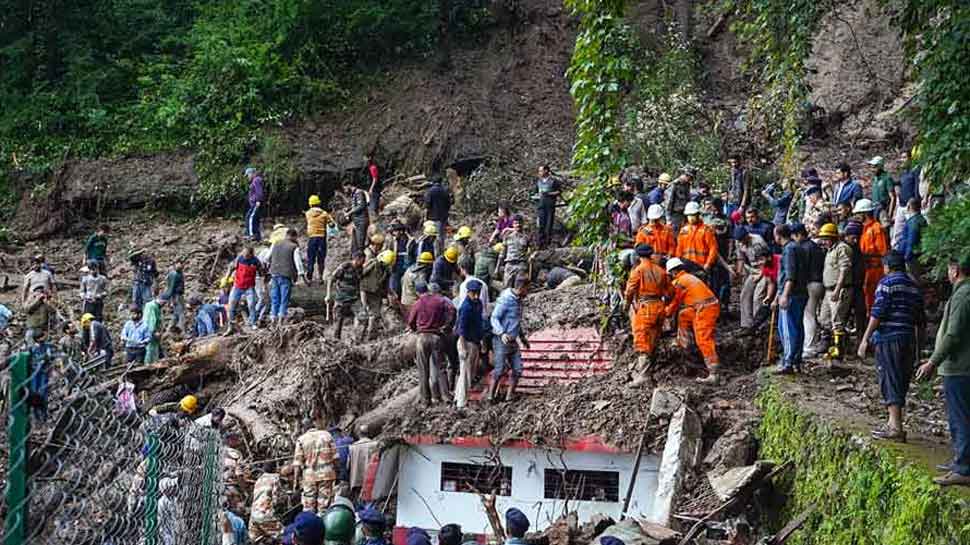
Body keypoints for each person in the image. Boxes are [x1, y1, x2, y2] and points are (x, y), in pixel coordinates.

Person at [857, 251, 924, 442]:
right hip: (908, 338)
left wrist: (865, 339)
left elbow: (878, 313)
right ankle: (894, 422)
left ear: (887, 266)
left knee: (889, 377)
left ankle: (895, 427)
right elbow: (921, 321)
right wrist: (918, 351)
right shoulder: (914, 286)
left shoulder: (886, 284)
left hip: (889, 338)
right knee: (901, 379)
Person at [916, 255, 970, 486]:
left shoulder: (963, 295)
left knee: (960, 417)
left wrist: (933, 362)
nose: (947, 272)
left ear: (955, 270)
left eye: (949, 268)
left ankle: (963, 468)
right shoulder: (961, 293)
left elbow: (953, 334)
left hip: (959, 367)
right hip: (960, 366)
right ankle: (961, 460)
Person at [665, 258, 720, 384]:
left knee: (703, 339)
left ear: (673, 272)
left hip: (705, 309)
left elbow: (675, 302)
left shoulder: (679, 282)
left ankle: (714, 372)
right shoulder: (688, 277)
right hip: (703, 306)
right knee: (684, 315)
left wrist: (665, 312)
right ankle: (684, 342)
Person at [625, 244, 672, 387]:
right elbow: (670, 292)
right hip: (659, 307)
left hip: (646, 308)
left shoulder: (638, 270)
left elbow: (630, 290)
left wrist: (626, 305)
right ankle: (649, 376)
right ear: (651, 255)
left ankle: (644, 376)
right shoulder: (661, 271)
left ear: (638, 256)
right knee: (653, 341)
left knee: (642, 341)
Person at [407, 281, 456, 405]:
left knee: (423, 370)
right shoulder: (438, 300)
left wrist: (415, 329)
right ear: (427, 289)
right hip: (436, 337)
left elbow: (411, 322)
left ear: (418, 292)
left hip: (422, 338)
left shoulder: (417, 304)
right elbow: (452, 309)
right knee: (440, 368)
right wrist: (447, 326)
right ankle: (446, 397)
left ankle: (425, 400)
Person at [772, 224, 808, 374]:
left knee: (787, 328)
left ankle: (788, 361)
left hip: (792, 294)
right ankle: (796, 360)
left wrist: (784, 295)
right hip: (801, 292)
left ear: (778, 235)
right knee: (798, 327)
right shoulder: (799, 247)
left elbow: (790, 276)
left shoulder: (789, 250)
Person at [490, 277, 530, 401]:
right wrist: (501, 333)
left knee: (517, 369)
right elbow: (494, 318)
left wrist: (522, 338)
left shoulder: (519, 301)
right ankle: (490, 397)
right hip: (501, 341)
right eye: (527, 289)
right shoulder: (506, 299)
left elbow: (516, 321)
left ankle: (509, 396)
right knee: (499, 370)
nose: (528, 292)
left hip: (513, 340)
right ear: (521, 288)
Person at [817, 223, 852, 359]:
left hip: (839, 289)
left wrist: (838, 289)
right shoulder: (830, 250)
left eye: (826, 238)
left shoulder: (842, 248)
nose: (823, 241)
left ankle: (839, 350)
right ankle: (831, 344)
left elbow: (845, 269)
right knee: (824, 319)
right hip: (828, 290)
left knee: (837, 319)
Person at [794, 223, 826, 358]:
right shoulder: (815, 246)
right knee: (815, 314)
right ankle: (815, 342)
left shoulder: (803, 248)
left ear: (798, 235)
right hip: (821, 282)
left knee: (809, 315)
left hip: (811, 283)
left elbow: (803, 269)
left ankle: (809, 347)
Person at [294, 418, 338, 514]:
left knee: (309, 506)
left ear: (304, 428)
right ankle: (323, 524)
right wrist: (336, 471)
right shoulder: (327, 435)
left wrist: (296, 481)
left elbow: (297, 463)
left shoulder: (301, 439)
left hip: (309, 477)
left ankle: (310, 526)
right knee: (324, 505)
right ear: (313, 425)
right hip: (327, 474)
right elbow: (335, 457)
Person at [454, 280, 486, 409]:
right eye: (474, 293)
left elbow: (480, 324)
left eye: (478, 293)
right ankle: (462, 403)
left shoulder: (478, 304)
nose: (476, 296)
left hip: (475, 341)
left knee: (468, 373)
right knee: (466, 373)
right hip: (466, 342)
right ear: (468, 292)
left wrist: (482, 340)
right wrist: (463, 347)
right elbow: (461, 329)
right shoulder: (465, 307)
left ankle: (458, 397)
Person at [734, 226, 769, 332]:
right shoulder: (739, 242)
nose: (741, 243)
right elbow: (741, 258)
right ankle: (746, 324)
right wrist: (739, 273)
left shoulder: (758, 241)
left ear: (747, 236)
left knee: (757, 297)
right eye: (739, 241)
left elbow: (767, 260)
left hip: (765, 270)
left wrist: (761, 275)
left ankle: (758, 325)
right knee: (744, 295)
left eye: (742, 240)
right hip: (752, 270)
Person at [855, 198, 888, 311]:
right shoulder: (864, 228)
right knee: (867, 294)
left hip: (876, 268)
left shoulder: (876, 228)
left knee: (873, 295)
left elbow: (882, 251)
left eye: (858, 214)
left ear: (865, 213)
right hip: (867, 267)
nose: (856, 216)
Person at [268, 228, 305, 326]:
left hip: (274, 274)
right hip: (286, 275)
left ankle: (273, 319)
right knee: (284, 299)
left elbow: (267, 257)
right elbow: (298, 263)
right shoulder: (294, 247)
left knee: (275, 297)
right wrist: (302, 276)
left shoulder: (276, 243)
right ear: (294, 236)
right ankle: (281, 320)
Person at [224, 247, 261, 334]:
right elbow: (231, 268)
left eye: (247, 255)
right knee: (231, 305)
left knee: (251, 304)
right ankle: (231, 326)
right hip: (238, 286)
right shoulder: (239, 259)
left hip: (249, 287)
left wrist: (262, 284)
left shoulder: (255, 261)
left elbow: (261, 272)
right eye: (244, 254)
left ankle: (253, 323)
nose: (245, 256)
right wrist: (226, 278)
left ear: (251, 255)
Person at [675, 202, 719, 276]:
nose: (691, 218)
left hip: (701, 267)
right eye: (689, 215)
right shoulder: (683, 230)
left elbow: (713, 248)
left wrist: (708, 264)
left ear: (698, 214)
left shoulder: (706, 230)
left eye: (693, 215)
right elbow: (679, 249)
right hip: (686, 266)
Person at [360, 251, 395, 340]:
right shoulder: (372, 264)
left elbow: (386, 284)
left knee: (374, 315)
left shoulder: (387, 270)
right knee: (363, 314)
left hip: (376, 293)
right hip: (365, 291)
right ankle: (359, 336)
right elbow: (361, 274)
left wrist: (389, 293)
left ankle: (370, 336)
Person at [330, 253, 364, 340]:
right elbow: (332, 279)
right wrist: (328, 295)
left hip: (354, 298)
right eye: (362, 260)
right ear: (357, 259)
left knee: (362, 317)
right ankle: (336, 341)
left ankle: (355, 339)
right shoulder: (345, 267)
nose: (363, 262)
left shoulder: (360, 268)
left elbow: (359, 283)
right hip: (341, 298)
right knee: (338, 322)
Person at [893, 149, 921, 246]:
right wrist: (896, 186)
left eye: (904, 157)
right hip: (901, 205)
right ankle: (895, 254)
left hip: (911, 205)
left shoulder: (915, 171)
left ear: (910, 159)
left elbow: (917, 187)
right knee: (897, 231)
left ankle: (910, 253)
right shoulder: (903, 173)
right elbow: (897, 182)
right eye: (901, 157)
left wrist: (915, 201)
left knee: (911, 231)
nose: (902, 160)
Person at [896, 198, 927, 282]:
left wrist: (906, 257)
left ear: (909, 206)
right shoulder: (920, 219)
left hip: (912, 257)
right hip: (916, 255)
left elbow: (911, 240)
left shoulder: (914, 222)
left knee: (915, 280)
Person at [305, 194, 333, 283]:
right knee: (321, 258)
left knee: (311, 258)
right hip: (322, 238)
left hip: (312, 238)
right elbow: (331, 224)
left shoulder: (308, 213)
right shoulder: (324, 213)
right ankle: (320, 277)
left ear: (310, 204)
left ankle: (309, 277)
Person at [500, 215, 531, 288]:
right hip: (509, 265)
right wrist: (498, 267)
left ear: (523, 224)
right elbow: (502, 253)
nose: (518, 225)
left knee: (519, 288)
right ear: (513, 224)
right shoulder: (507, 237)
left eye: (520, 223)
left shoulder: (526, 237)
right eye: (516, 223)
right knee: (506, 288)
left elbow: (531, 252)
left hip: (521, 265)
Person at [424, 177, 452, 255]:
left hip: (432, 218)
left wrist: (426, 216)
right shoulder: (445, 191)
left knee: (431, 235)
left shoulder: (430, 191)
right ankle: (440, 253)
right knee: (441, 237)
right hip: (442, 218)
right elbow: (449, 204)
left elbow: (427, 205)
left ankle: (431, 253)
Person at [535, 165, 561, 248]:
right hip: (541, 205)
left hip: (550, 205)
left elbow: (559, 192)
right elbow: (535, 192)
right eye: (539, 171)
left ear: (546, 171)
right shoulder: (539, 181)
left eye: (541, 171)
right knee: (541, 225)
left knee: (549, 225)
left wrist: (549, 194)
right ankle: (540, 243)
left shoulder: (553, 181)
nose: (539, 173)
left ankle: (547, 243)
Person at [867, 156, 895, 228]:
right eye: (872, 167)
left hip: (883, 209)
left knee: (885, 229)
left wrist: (889, 214)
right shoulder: (875, 179)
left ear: (880, 166)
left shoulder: (887, 178)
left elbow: (892, 197)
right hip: (874, 208)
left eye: (874, 167)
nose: (872, 169)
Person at [345, 180, 370, 256]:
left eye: (345, 188)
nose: (345, 190)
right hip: (356, 221)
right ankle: (355, 257)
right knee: (355, 242)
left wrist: (349, 213)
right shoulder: (354, 194)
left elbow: (361, 206)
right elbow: (355, 206)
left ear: (349, 185)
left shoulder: (359, 193)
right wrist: (348, 209)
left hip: (361, 221)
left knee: (360, 243)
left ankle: (361, 259)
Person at [160, 260, 186, 333]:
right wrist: (168, 298)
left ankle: (169, 329)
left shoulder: (179, 273)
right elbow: (171, 288)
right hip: (176, 296)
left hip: (179, 295)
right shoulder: (174, 274)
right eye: (178, 264)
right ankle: (181, 330)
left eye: (181, 264)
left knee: (176, 314)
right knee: (181, 314)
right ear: (175, 265)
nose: (180, 266)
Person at [388, 222, 411, 299]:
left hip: (406, 267)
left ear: (401, 231)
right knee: (394, 287)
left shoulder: (410, 241)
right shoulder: (393, 241)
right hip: (395, 267)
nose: (394, 233)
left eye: (395, 231)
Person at [142, 291, 167, 363]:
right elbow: (151, 321)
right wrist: (154, 332)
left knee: (155, 349)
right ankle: (149, 365)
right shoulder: (152, 306)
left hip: (154, 331)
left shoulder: (156, 306)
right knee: (150, 350)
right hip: (151, 333)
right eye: (164, 302)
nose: (164, 304)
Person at [245, 167, 265, 241]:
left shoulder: (256, 180)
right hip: (255, 203)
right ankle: (257, 237)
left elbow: (259, 192)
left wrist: (258, 201)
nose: (248, 177)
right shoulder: (256, 180)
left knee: (250, 217)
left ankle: (251, 235)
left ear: (252, 173)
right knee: (255, 219)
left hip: (256, 203)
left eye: (248, 175)